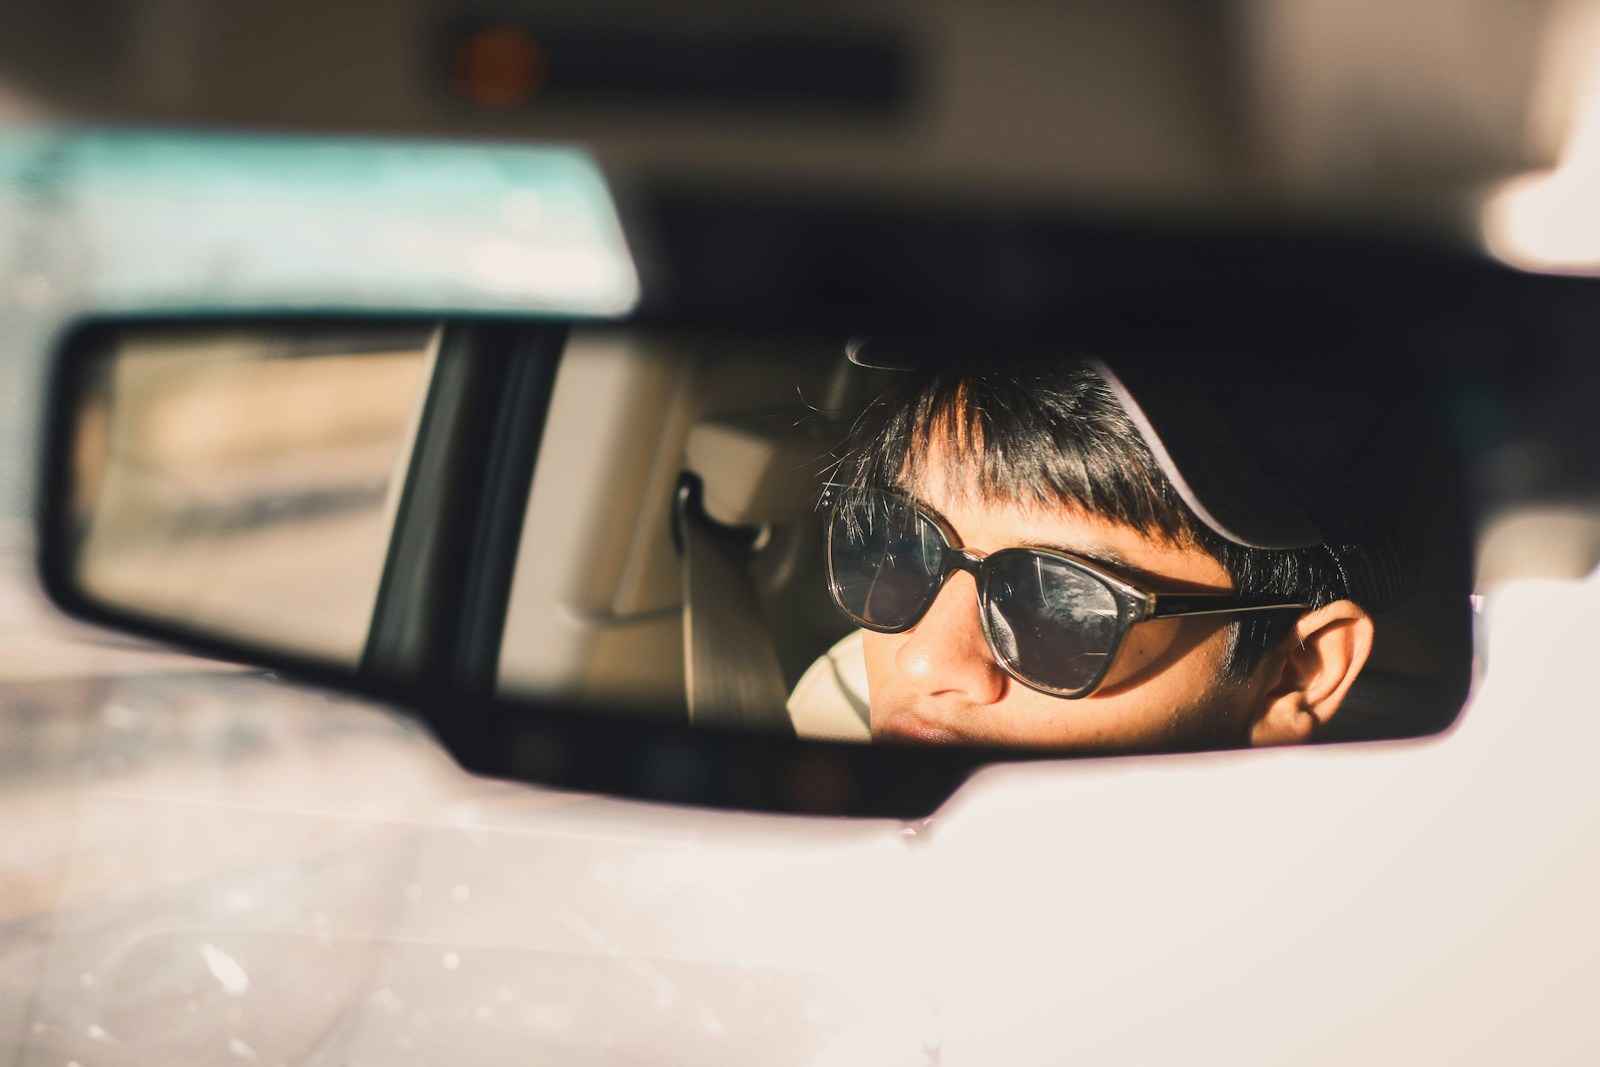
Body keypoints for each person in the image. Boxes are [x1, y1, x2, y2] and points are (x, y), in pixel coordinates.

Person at [790, 344, 1453, 751]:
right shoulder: (827, 708)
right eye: (902, 550)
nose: (922, 660)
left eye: (1059, 600)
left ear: (1297, 671)